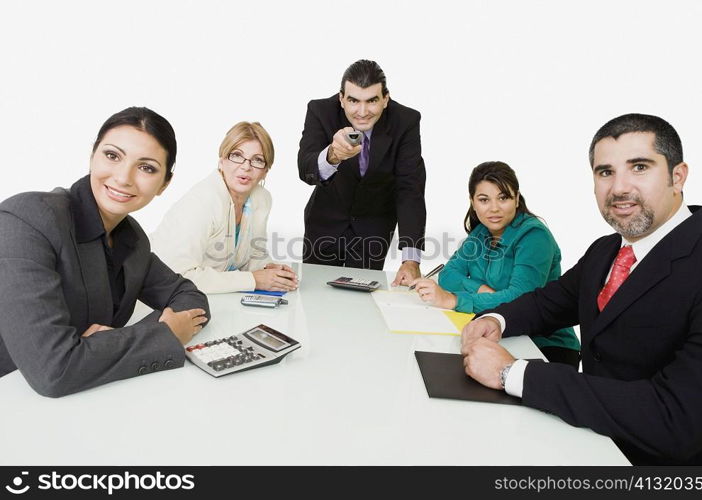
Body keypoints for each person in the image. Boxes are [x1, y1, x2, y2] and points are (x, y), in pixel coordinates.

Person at [461, 113, 702, 465]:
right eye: (605, 172)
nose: (619, 188)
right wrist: (495, 319)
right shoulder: (606, 250)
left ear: (677, 176)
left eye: (639, 167)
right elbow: (550, 302)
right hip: (586, 441)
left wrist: (512, 373)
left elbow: (676, 418)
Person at [0, 107, 210, 397]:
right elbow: (53, 370)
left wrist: (107, 345)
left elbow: (190, 298)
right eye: (112, 156)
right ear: (92, 155)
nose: (124, 178)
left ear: (165, 184)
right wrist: (164, 334)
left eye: (146, 167)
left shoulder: (133, 238)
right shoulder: (29, 219)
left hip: (84, 405)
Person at [412, 162, 580, 367]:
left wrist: (454, 300)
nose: (494, 208)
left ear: (516, 199)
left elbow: (522, 299)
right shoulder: (481, 232)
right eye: (484, 200)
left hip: (544, 345)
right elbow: (448, 274)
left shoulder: (534, 236)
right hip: (500, 334)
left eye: (503, 198)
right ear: (473, 203)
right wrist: (482, 290)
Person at [297, 59, 426, 285]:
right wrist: (332, 156)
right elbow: (305, 169)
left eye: (372, 101)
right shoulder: (320, 111)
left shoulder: (405, 121)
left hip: (373, 229)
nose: (363, 112)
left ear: (386, 99)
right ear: (341, 98)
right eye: (353, 101)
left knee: (362, 307)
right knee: (316, 300)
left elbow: (410, 188)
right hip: (324, 223)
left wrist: (411, 259)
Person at [151, 121, 297, 294]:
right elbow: (178, 276)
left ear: (266, 170)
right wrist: (254, 280)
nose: (246, 166)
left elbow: (251, 255)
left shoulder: (261, 199)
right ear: (221, 161)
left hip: (212, 299)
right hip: (156, 300)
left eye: (257, 160)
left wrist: (269, 269)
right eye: (236, 155)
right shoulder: (202, 202)